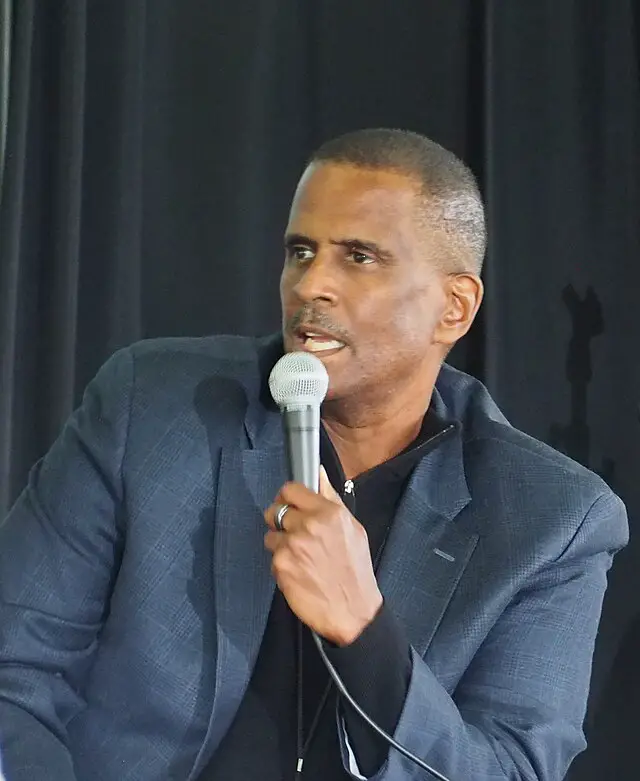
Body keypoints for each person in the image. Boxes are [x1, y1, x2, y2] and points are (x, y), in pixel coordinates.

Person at [0, 128, 628, 781]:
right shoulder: (153, 407)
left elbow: (511, 770)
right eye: (301, 251)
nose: (311, 285)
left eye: (358, 257)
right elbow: (15, 668)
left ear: (454, 306)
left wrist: (365, 629)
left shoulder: (551, 519)